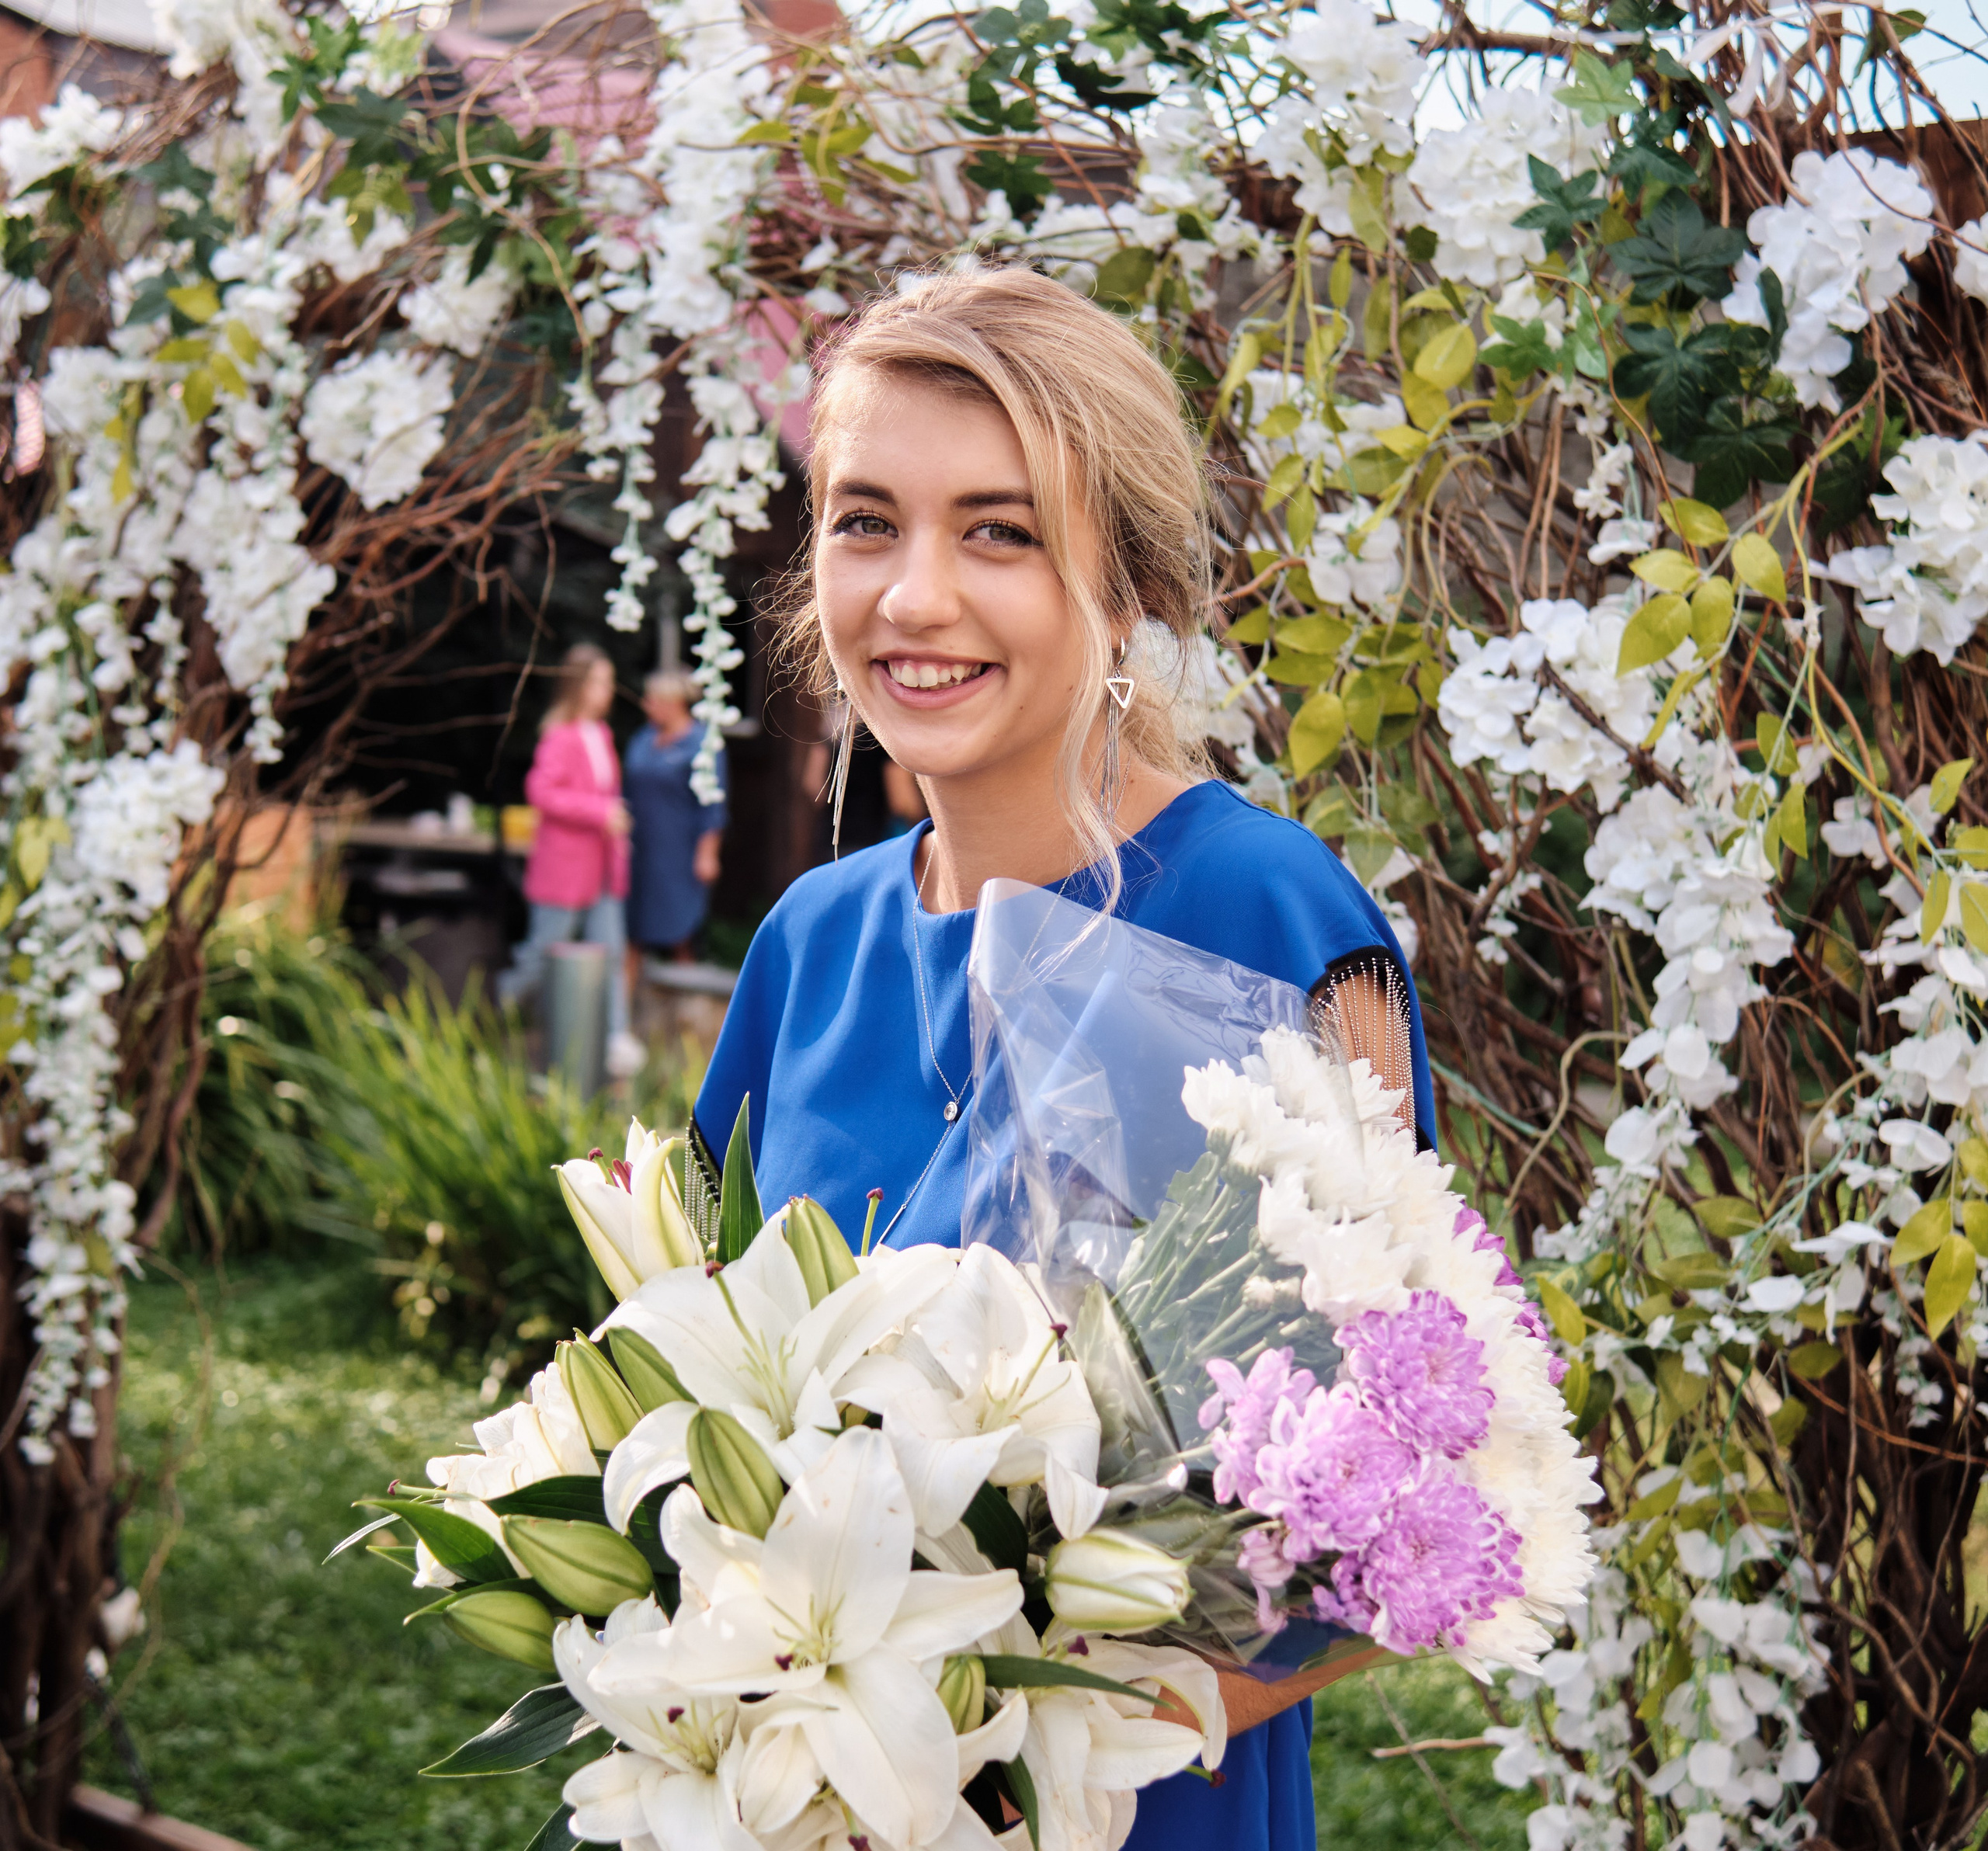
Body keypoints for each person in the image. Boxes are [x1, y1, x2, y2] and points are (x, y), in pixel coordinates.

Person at [694, 267, 1434, 1851]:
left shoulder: (1264, 918)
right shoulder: (805, 950)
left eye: (1000, 530)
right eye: (864, 520)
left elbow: (1396, 1520)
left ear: (1127, 581)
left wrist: (986, 1761)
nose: (911, 597)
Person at [505, 642, 645, 1078]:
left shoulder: (600, 734)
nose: (608, 689)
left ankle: (615, 1040)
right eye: (600, 680)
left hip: (604, 868)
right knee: (540, 956)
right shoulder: (560, 736)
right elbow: (541, 793)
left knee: (611, 952)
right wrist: (600, 813)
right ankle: (495, 1007)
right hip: (564, 871)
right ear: (579, 685)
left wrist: (614, 820)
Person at [624, 670, 727, 992]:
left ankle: (687, 1014)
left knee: (681, 929)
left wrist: (708, 854)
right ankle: (624, 1015)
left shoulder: (703, 744)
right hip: (639, 852)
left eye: (652, 700)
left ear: (675, 703)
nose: (646, 705)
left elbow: (713, 804)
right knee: (633, 931)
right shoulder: (643, 739)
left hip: (679, 854)